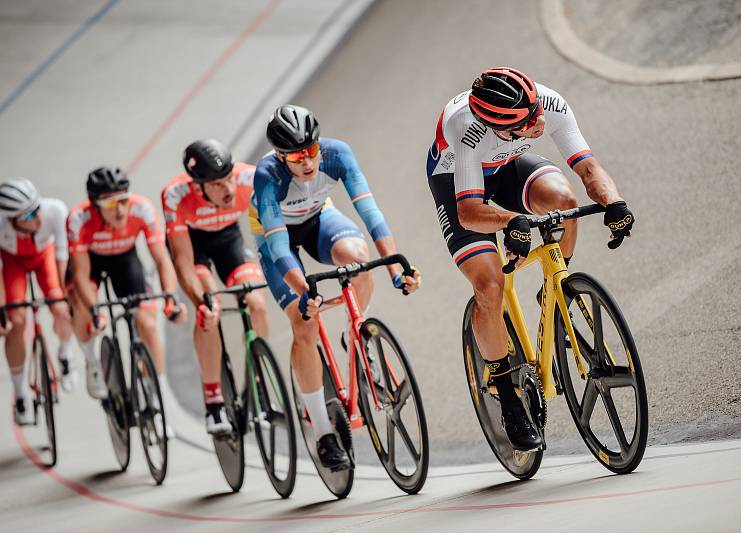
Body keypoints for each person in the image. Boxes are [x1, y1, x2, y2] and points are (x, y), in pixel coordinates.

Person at [426, 66, 635, 451]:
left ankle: (557, 287)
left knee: (565, 203)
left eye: (536, 111)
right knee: (490, 284)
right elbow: (471, 212)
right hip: (457, 181)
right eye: (528, 121)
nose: (540, 121)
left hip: (506, 166)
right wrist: (512, 221)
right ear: (500, 127)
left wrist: (613, 201)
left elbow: (588, 168)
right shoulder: (467, 130)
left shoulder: (546, 103)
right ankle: (507, 395)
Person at [252, 105, 420, 471]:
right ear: (281, 157)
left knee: (358, 259)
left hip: (317, 218)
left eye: (311, 150)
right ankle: (323, 432)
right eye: (297, 156)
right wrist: (305, 293)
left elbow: (370, 213)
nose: (308, 161)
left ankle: (355, 334)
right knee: (304, 322)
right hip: (275, 236)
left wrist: (394, 265)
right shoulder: (268, 175)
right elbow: (280, 248)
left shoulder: (337, 153)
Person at [162, 139, 269, 436]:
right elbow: (183, 262)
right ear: (198, 187)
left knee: (257, 304)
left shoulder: (249, 178)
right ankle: (213, 400)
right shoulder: (175, 195)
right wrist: (200, 300)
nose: (229, 190)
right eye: (218, 185)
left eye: (229, 180)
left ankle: (257, 380)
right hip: (193, 246)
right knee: (211, 308)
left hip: (228, 241)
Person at [67, 166, 186, 402]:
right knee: (81, 307)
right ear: (95, 206)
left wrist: (171, 297)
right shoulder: (78, 218)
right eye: (111, 205)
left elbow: (162, 259)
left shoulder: (142, 209)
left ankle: (157, 396)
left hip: (125, 262)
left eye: (123, 200)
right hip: (91, 264)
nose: (120, 210)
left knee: (148, 324)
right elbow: (80, 275)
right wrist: (94, 311)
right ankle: (92, 361)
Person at [0, 178, 76, 425]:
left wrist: (62, 298)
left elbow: (62, 259)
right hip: (12, 263)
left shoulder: (54, 209)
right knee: (17, 321)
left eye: (37, 208)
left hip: (45, 258)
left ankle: (65, 354)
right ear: (11, 220)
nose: (38, 216)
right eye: (30, 214)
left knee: (61, 308)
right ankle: (20, 392)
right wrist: (2, 317)